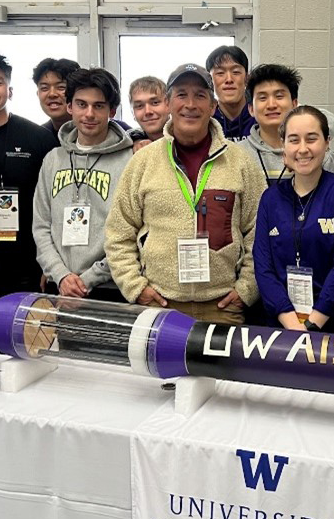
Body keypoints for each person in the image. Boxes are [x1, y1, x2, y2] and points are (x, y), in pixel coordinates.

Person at [105, 63, 267, 324]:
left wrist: (246, 289)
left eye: (200, 95)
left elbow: (259, 232)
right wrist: (135, 288)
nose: (190, 104)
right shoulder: (143, 162)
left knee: (218, 368)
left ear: (213, 106)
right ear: (168, 103)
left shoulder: (241, 162)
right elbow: (118, 233)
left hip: (223, 307)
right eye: (181, 94)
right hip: (160, 306)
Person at [253, 106, 334, 333]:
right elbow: (263, 267)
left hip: (329, 326)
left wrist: (312, 324)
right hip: (280, 327)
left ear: (327, 142)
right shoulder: (270, 199)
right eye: (293, 140)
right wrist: (291, 324)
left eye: (312, 139)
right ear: (284, 146)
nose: (303, 149)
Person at [0, 52, 58, 298]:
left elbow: (54, 204)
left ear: (10, 91)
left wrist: (51, 263)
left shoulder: (38, 138)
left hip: (30, 261)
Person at [32, 68, 133, 300]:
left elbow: (132, 233)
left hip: (112, 288)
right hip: (60, 285)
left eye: (99, 106)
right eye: (81, 104)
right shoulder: (53, 159)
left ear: (112, 111)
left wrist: (88, 279)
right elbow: (41, 226)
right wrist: (61, 275)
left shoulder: (130, 160)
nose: (89, 113)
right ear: (69, 107)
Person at [240, 63, 334, 184]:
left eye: (279, 96)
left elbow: (333, 196)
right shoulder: (238, 154)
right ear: (251, 109)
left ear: (294, 104)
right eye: (262, 98)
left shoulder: (319, 155)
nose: (271, 105)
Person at [206, 45, 256, 140]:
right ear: (210, 81)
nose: (229, 79)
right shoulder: (206, 119)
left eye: (236, 72)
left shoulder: (258, 115)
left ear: (247, 78)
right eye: (220, 73)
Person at [33, 57, 81, 143]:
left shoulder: (90, 132)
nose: (52, 94)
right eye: (44, 88)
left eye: (61, 87)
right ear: (38, 94)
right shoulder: (38, 137)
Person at [128, 76, 170, 149]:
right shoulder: (128, 145)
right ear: (133, 112)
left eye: (155, 103)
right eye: (139, 106)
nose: (148, 111)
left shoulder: (186, 139)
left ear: (169, 104)